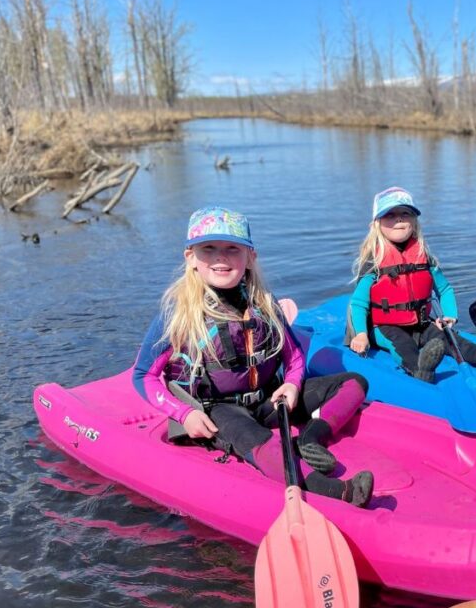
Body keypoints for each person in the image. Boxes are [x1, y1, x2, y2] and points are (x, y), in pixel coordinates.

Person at [132, 206, 373, 507]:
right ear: (191, 257)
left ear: (250, 257)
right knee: (265, 444)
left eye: (232, 249)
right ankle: (337, 492)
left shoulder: (265, 304)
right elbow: (144, 376)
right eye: (209, 249)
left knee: (354, 383)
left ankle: (311, 440)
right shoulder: (175, 314)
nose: (221, 258)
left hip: (269, 399)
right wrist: (185, 414)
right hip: (218, 411)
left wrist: (293, 385)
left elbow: (294, 357)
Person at [347, 186, 476, 383]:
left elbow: (444, 289)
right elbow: (358, 304)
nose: (399, 219)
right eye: (390, 215)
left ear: (414, 222)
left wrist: (450, 315)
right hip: (385, 327)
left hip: (421, 323)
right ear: (377, 224)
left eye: (405, 214)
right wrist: (361, 335)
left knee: (453, 340)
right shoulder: (374, 262)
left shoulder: (424, 258)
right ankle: (420, 370)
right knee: (402, 344)